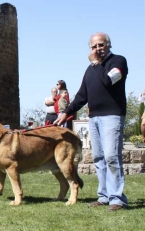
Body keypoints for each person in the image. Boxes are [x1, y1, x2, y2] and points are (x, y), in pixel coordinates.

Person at [54, 32, 128, 211]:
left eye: (101, 45)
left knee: (111, 156)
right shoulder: (90, 70)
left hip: (112, 116)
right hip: (93, 118)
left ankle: (117, 198)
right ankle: (104, 196)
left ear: (108, 45)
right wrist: (67, 112)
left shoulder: (118, 62)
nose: (97, 50)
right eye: (94, 47)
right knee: (99, 158)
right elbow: (82, 96)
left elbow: (108, 81)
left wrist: (95, 63)